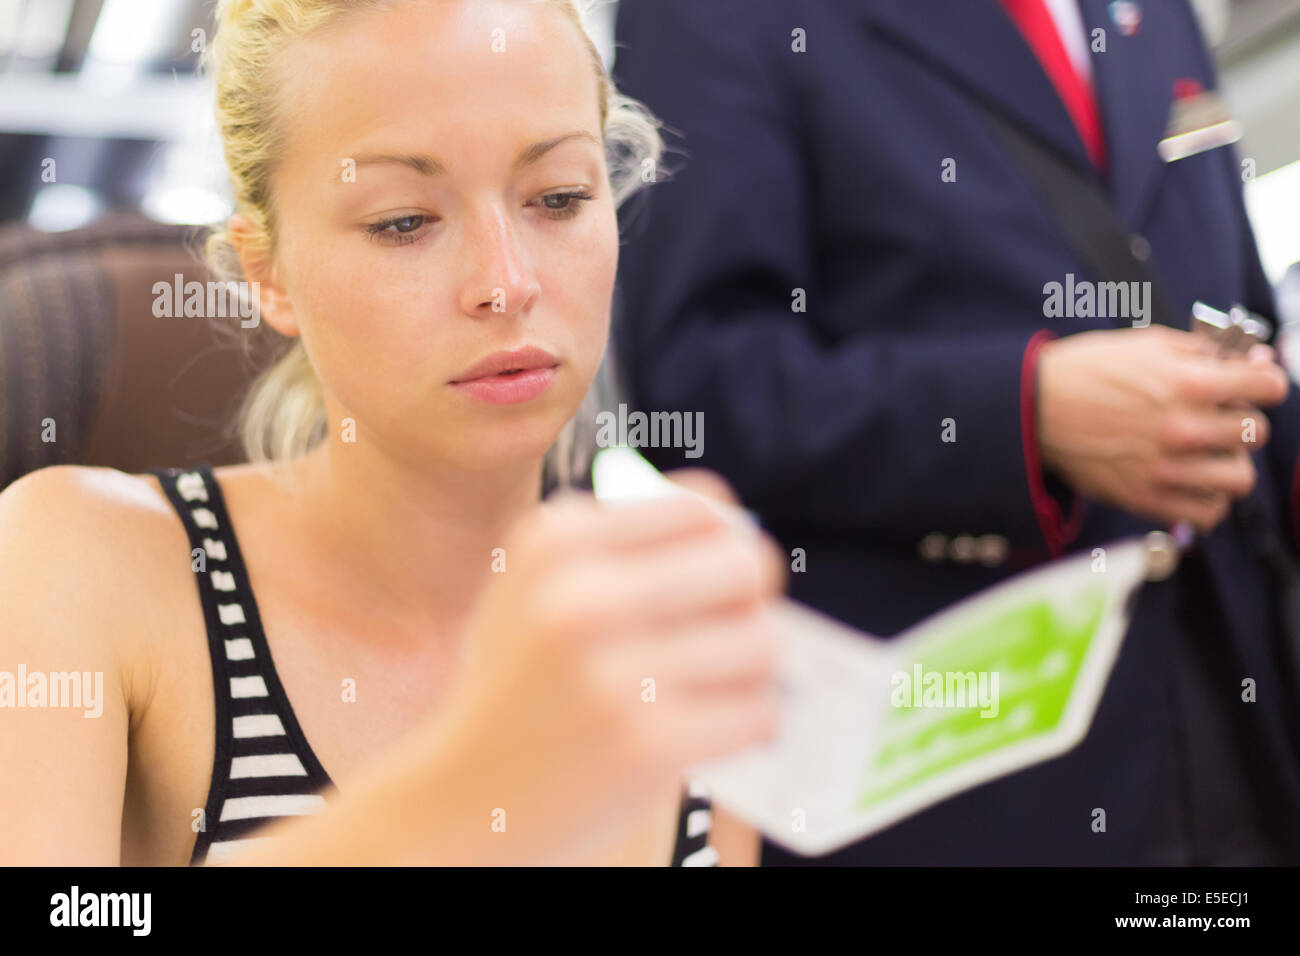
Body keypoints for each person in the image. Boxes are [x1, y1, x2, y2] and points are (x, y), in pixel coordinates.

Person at [0, 0, 786, 867]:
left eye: (559, 199)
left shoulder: (677, 632)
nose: (507, 283)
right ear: (270, 275)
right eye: (403, 221)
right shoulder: (82, 561)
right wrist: (469, 787)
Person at [612, 0, 1300, 864]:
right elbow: (698, 384)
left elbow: (1238, 303)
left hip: (1242, 702)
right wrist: (1027, 412)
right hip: (965, 765)